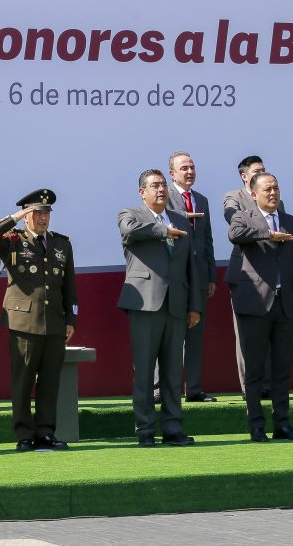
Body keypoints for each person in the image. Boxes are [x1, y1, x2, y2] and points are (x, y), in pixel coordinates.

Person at [0, 189, 77, 451]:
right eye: (36, 213)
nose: (43, 218)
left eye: (46, 213)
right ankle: (24, 434)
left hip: (55, 322)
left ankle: (46, 433)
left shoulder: (61, 243)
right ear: (26, 216)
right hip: (23, 321)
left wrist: (71, 319)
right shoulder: (12, 241)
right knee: (23, 380)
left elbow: (69, 286)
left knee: (49, 381)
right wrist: (15, 216)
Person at [118, 169, 201, 447]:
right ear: (142, 192)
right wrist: (162, 230)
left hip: (176, 304)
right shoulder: (130, 215)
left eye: (163, 185)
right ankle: (144, 430)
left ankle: (173, 428)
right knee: (143, 371)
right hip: (145, 304)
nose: (161, 190)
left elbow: (191, 265)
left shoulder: (180, 218)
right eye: (154, 186)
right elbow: (130, 232)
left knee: (171, 371)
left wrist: (194, 306)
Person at [228, 173, 293, 442]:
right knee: (254, 370)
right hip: (254, 304)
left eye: (276, 187)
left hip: (285, 305)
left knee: (282, 369)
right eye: (267, 189)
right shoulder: (243, 217)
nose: (273, 193)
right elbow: (234, 234)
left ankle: (283, 424)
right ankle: (256, 426)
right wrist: (268, 233)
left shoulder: (292, 222)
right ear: (253, 194)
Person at [156, 152, 217, 403]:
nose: (190, 171)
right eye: (184, 168)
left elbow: (208, 241)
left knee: (195, 335)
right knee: (166, 335)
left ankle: (193, 389)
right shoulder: (164, 197)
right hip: (175, 275)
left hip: (199, 276)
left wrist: (211, 275)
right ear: (172, 174)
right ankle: (159, 388)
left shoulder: (201, 199)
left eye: (192, 167)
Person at [222, 155, 275, 399]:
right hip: (244, 274)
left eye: (264, 169)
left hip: (270, 276)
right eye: (257, 170)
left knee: (267, 335)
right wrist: (263, 223)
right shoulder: (234, 197)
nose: (261, 173)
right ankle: (248, 387)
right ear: (245, 176)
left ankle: (266, 384)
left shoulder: (274, 197)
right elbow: (236, 224)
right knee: (245, 336)